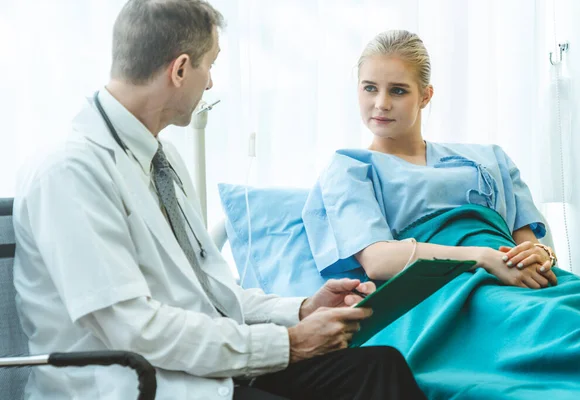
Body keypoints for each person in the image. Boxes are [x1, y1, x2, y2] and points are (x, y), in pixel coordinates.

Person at [12, 3, 426, 399]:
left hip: (198, 370)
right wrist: (288, 344)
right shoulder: (69, 172)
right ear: (180, 69)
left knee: (379, 368)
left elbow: (210, 292)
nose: (209, 82)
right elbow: (131, 329)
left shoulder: (161, 159)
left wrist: (300, 310)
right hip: (135, 386)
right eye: (209, 65)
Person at [302, 30, 580, 399]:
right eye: (369, 88)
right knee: (556, 334)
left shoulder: (489, 158)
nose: (380, 103)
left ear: (425, 95)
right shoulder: (350, 169)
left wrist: (539, 255)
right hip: (442, 295)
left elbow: (527, 239)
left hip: (522, 278)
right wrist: (482, 258)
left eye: (398, 90)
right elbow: (378, 261)